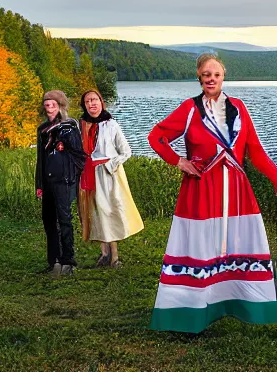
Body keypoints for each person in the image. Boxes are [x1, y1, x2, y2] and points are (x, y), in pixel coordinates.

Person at [148, 53, 277, 333]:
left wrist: (276, 178)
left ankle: (238, 304)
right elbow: (156, 137)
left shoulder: (239, 108)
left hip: (237, 191)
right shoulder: (190, 109)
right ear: (199, 77)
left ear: (223, 76)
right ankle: (191, 310)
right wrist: (179, 161)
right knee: (199, 248)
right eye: (206, 74)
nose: (211, 79)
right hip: (201, 191)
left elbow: (255, 152)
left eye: (216, 74)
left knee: (238, 245)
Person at [78, 90, 144, 268]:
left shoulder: (111, 125)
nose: (92, 104)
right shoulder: (81, 125)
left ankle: (114, 257)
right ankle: (104, 254)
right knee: (95, 212)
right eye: (87, 101)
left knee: (109, 212)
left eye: (95, 100)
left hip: (108, 174)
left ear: (101, 102)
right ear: (84, 105)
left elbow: (126, 152)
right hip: (89, 173)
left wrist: (109, 165)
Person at [35, 90, 86, 276]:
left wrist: (71, 174)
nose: (49, 108)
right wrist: (39, 184)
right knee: (48, 220)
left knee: (64, 220)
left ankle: (68, 260)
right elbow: (40, 158)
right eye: (46, 105)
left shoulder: (69, 127)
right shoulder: (42, 129)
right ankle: (54, 261)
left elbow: (79, 156)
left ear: (60, 106)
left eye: (53, 105)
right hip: (47, 181)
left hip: (64, 181)